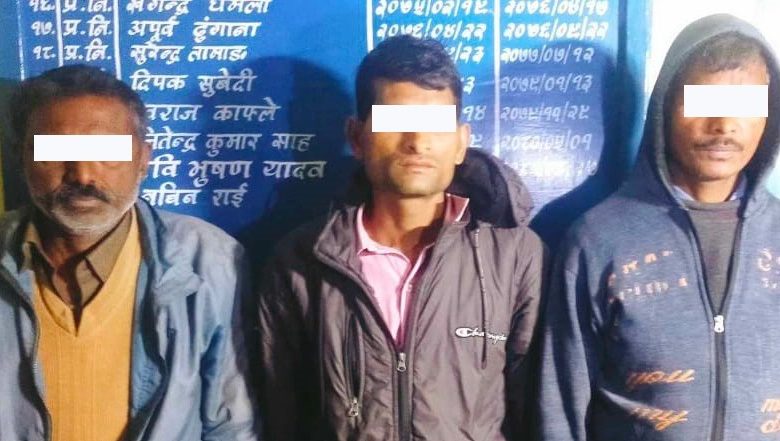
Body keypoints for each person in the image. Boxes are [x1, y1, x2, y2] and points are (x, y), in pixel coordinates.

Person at [256, 35, 545, 441]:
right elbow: (282, 414)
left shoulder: (516, 257)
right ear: (357, 137)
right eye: (394, 120)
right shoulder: (300, 263)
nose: (417, 141)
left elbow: (536, 408)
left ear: (461, 142)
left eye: (436, 124)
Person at [538, 14, 780, 441]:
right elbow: (560, 410)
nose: (724, 125)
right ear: (666, 107)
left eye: (746, 104)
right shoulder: (597, 240)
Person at [0, 64, 259, 440]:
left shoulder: (209, 261)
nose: (83, 175)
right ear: (22, 158)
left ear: (144, 158)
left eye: (108, 152)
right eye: (55, 151)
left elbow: (232, 423)